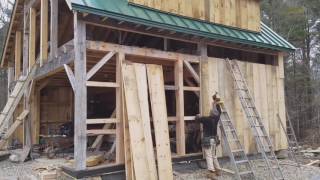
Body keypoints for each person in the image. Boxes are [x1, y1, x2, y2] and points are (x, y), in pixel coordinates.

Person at [196, 92, 223, 176]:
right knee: (214, 155)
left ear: (211, 113)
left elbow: (197, 119)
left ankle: (211, 172)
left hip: (208, 140)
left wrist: (198, 115)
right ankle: (218, 170)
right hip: (214, 140)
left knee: (209, 156)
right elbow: (218, 111)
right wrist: (215, 102)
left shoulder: (206, 119)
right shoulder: (217, 118)